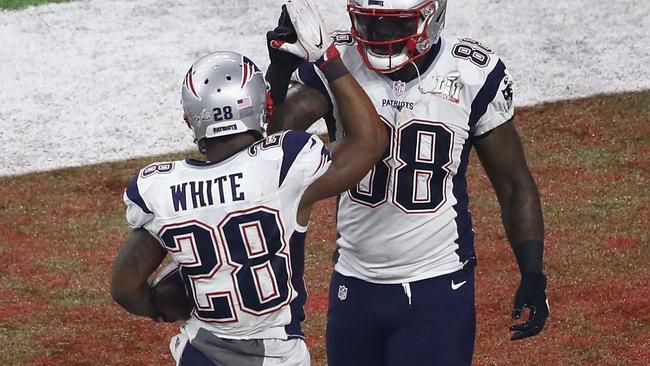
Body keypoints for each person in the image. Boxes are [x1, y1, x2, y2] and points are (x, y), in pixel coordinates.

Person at [265, 0, 549, 364]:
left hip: (437, 288)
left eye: (391, 24)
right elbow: (273, 150)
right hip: (353, 283)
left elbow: (513, 183)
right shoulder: (339, 61)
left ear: (430, 18)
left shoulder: (470, 72)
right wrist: (279, 74)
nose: (378, 36)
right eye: (369, 23)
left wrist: (533, 271)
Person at [109, 2, 386, 364]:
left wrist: (162, 309)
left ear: (189, 120)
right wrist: (327, 58)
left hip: (200, 352)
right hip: (276, 355)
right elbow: (369, 142)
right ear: (261, 105)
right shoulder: (283, 164)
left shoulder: (159, 189)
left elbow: (125, 288)